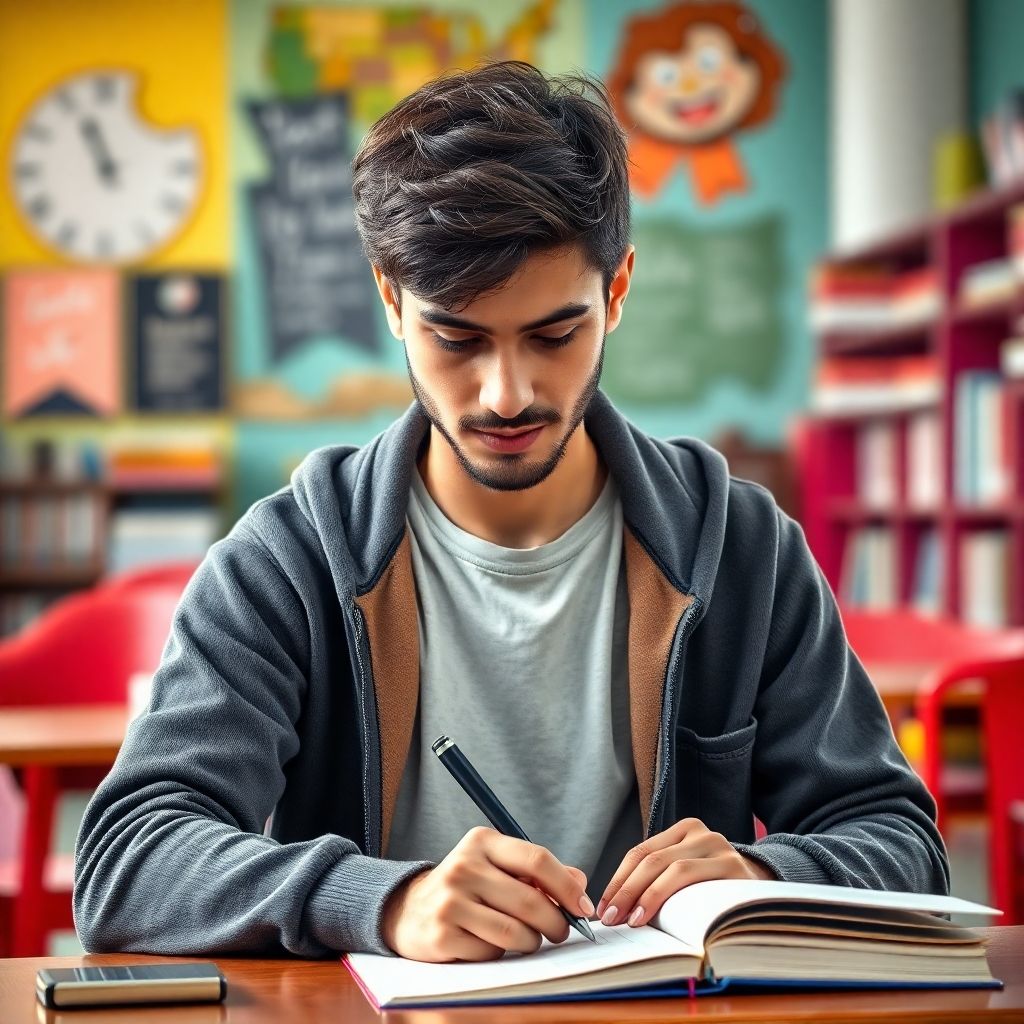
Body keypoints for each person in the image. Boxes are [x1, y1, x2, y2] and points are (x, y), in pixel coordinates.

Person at [74, 61, 948, 964]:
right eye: (457, 336)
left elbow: (904, 845)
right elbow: (127, 862)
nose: (506, 394)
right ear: (390, 299)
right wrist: (385, 900)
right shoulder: (288, 559)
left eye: (554, 335)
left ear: (616, 292)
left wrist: (761, 879)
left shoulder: (743, 545)